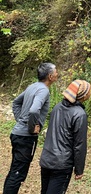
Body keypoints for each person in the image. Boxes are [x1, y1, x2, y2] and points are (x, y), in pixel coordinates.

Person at [3, 62, 58, 194]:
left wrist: (20, 121)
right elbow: (34, 110)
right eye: (56, 72)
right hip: (25, 138)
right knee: (18, 174)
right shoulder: (43, 90)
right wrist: (31, 127)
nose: (58, 74)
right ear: (50, 76)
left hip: (17, 134)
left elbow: (16, 102)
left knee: (15, 171)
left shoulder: (32, 86)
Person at [39, 79, 91, 194]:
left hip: (47, 159)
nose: (90, 93)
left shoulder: (57, 107)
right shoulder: (80, 115)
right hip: (61, 164)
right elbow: (79, 145)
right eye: (89, 91)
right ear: (83, 95)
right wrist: (79, 170)